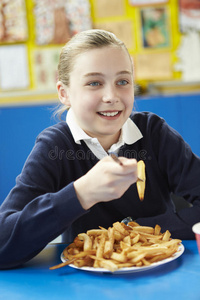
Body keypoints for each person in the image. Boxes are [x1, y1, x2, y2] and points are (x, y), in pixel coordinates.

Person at [0, 29, 200, 270]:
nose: (111, 96)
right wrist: (81, 194)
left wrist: (132, 231)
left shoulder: (154, 133)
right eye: (94, 83)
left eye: (123, 81)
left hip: (161, 272)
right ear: (64, 93)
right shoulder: (55, 147)